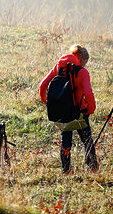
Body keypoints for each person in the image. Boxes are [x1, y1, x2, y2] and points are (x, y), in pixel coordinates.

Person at [38, 44, 99, 173]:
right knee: (87, 140)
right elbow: (88, 93)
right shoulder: (82, 72)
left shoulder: (58, 68)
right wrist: (90, 109)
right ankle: (92, 169)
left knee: (65, 142)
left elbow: (42, 85)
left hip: (62, 111)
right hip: (79, 112)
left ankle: (66, 170)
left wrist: (47, 102)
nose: (85, 64)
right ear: (82, 59)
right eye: (86, 61)